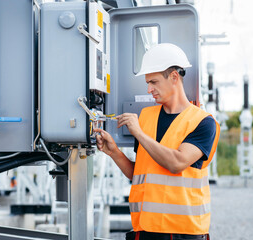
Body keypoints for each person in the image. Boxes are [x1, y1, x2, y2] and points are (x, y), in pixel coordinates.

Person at [94, 43, 220, 240]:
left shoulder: (203, 122)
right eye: (147, 82)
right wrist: (114, 153)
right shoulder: (146, 117)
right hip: (146, 229)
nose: (149, 88)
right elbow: (141, 173)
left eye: (153, 82)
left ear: (174, 77)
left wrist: (138, 133)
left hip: (184, 233)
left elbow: (176, 163)